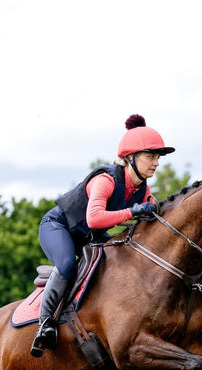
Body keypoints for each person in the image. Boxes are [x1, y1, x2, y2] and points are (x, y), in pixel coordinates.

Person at [30, 114, 174, 357]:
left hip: (88, 236)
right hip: (59, 227)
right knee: (66, 265)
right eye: (151, 156)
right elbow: (94, 218)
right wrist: (132, 211)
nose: (156, 163)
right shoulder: (105, 180)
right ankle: (45, 324)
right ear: (131, 158)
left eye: (157, 157)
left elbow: (153, 209)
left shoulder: (142, 188)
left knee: (124, 259)